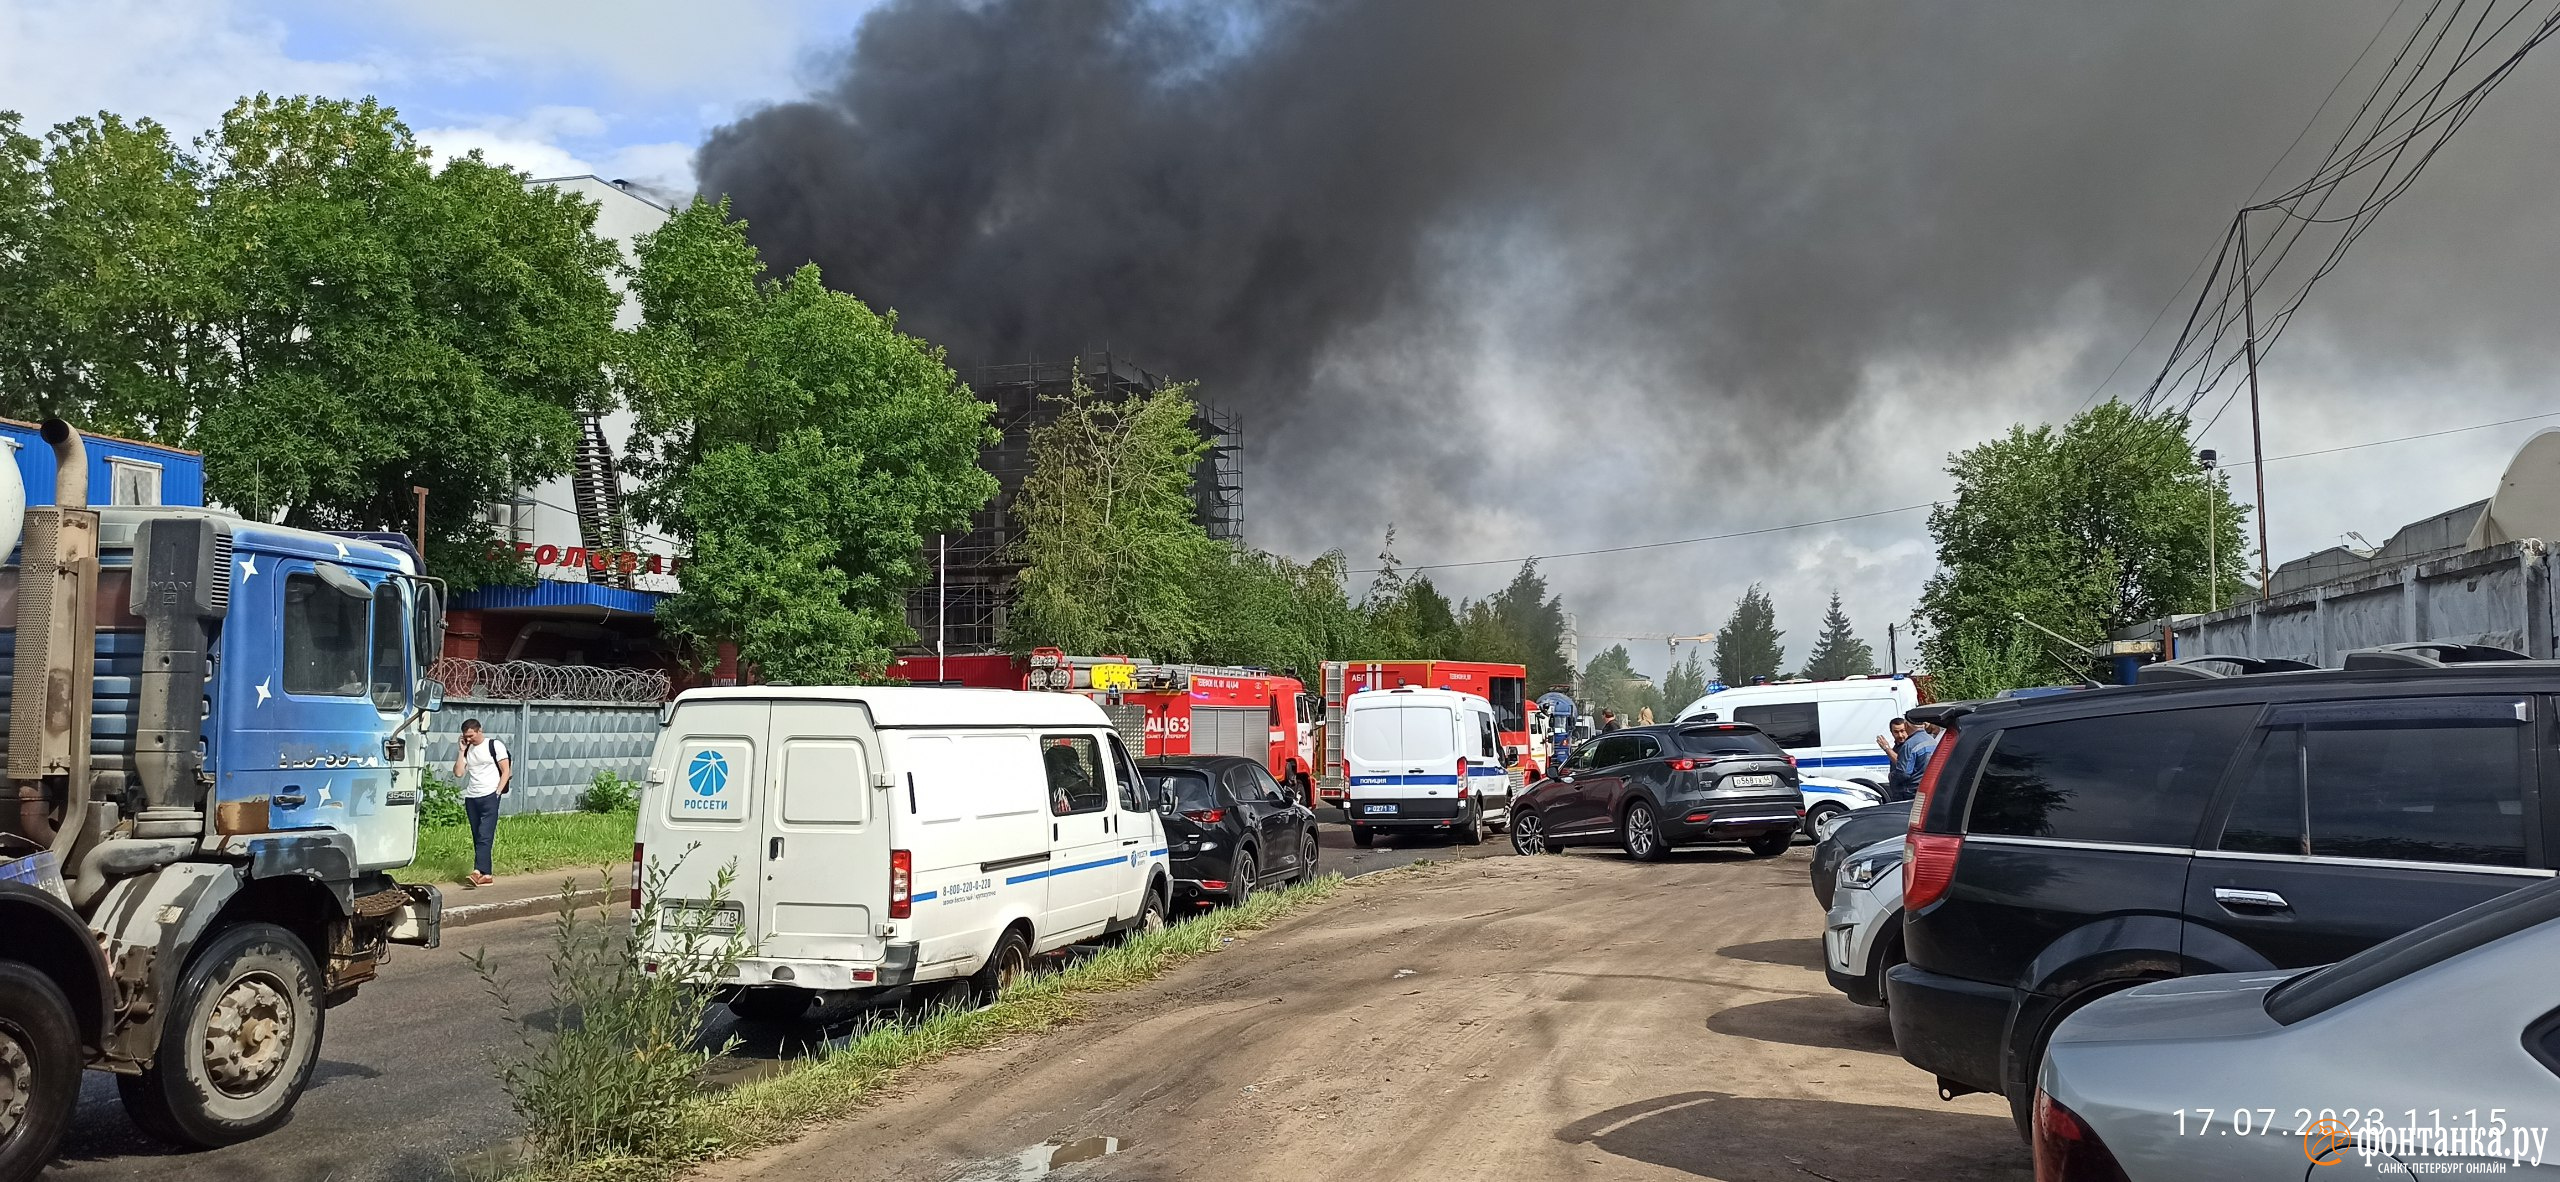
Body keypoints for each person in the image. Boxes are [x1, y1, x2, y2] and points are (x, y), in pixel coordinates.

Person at [450, 719, 511, 887]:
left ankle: (478, 871)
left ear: (479, 731)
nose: (468, 739)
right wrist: (461, 751)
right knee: (477, 835)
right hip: (472, 796)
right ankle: (487, 875)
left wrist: (497, 792)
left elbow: (506, 770)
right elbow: (459, 773)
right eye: (465, 736)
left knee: (485, 834)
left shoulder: (494, 745)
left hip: (490, 795)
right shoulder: (468, 748)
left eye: (471, 736)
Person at [1875, 718, 1916, 801]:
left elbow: (1903, 765)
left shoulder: (1910, 746)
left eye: (1902, 731)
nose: (1900, 735)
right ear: (1891, 732)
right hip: (1898, 792)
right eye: (1896, 732)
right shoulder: (1897, 747)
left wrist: (1887, 749)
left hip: (1908, 793)